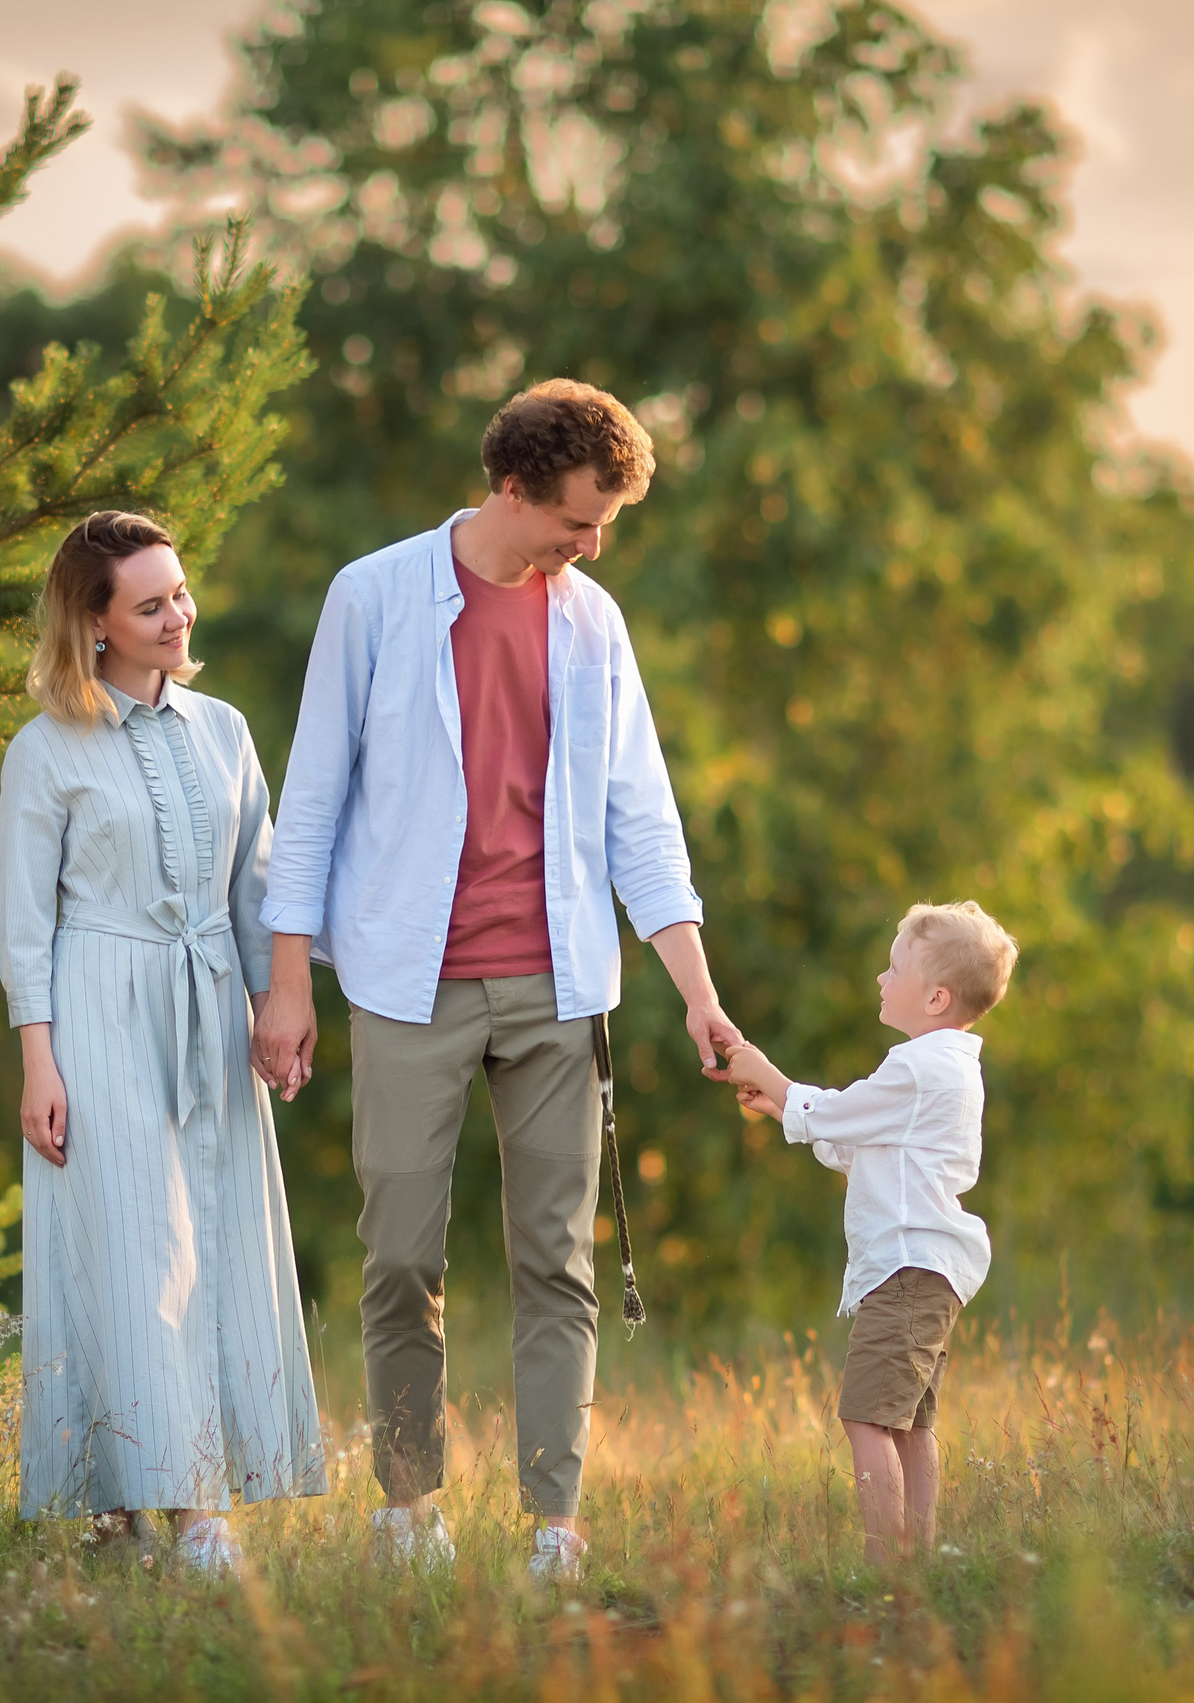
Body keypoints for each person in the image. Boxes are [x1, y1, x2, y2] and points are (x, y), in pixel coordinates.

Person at [253, 379, 746, 1582]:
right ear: (512, 487)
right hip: (405, 981)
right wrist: (287, 982)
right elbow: (309, 799)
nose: (594, 544)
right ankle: (409, 1507)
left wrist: (695, 987)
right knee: (402, 1255)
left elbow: (643, 821)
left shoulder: (592, 620)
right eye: (580, 520)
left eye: (606, 525)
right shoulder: (373, 595)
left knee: (555, 1260)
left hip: (558, 983)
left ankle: (552, 1527)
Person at [0, 511, 325, 1575]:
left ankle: (182, 1490)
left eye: (179, 592)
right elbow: (23, 923)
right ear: (95, 625)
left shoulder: (224, 729)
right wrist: (38, 1058)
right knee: (136, 1252)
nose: (178, 615)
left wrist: (284, 1001)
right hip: (97, 1005)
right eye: (150, 603)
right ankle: (181, 1509)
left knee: (218, 1241)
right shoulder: (44, 750)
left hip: (211, 1006)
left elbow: (262, 887)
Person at [718, 900, 1019, 1567]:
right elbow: (861, 1139)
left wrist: (768, 1074)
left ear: (936, 996)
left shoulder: (918, 1067)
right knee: (910, 1421)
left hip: (908, 1268)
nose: (881, 978)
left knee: (867, 1417)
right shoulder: (947, 1068)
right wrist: (784, 1107)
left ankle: (888, 1567)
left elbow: (841, 1112)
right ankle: (916, 1560)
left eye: (894, 967)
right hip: (930, 1267)